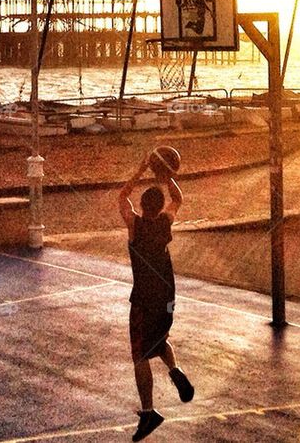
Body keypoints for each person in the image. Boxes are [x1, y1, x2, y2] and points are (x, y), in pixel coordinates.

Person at [119, 152, 194, 442]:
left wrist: (140, 170)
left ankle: (149, 412)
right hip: (167, 297)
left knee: (140, 355)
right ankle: (175, 370)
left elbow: (121, 197)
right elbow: (179, 199)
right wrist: (166, 175)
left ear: (141, 206)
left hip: (143, 300)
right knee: (159, 340)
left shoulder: (135, 227)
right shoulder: (165, 222)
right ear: (161, 206)